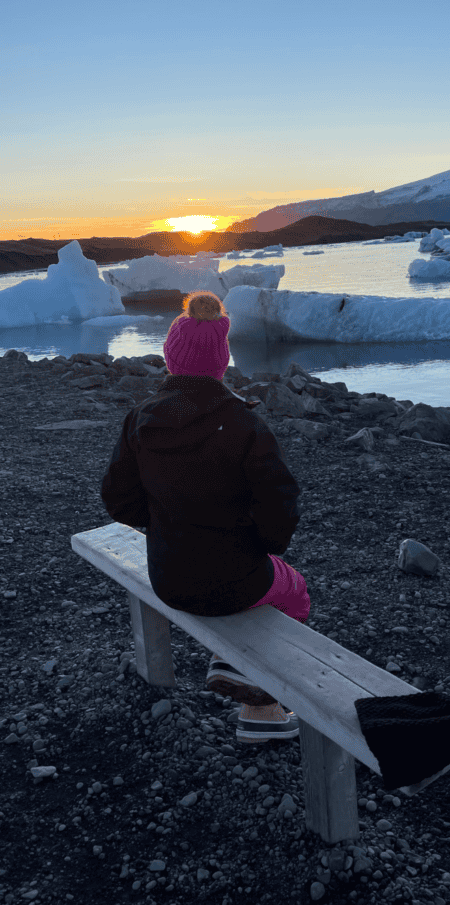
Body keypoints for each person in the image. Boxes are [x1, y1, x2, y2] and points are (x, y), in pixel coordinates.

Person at [100, 289, 309, 744]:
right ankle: (261, 708)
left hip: (169, 577)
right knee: (294, 592)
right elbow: (280, 504)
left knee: (250, 586)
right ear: (221, 362)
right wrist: (264, 545)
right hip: (238, 577)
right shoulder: (243, 423)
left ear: (170, 357)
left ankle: (241, 676)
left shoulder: (140, 418)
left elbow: (118, 500)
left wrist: (164, 519)